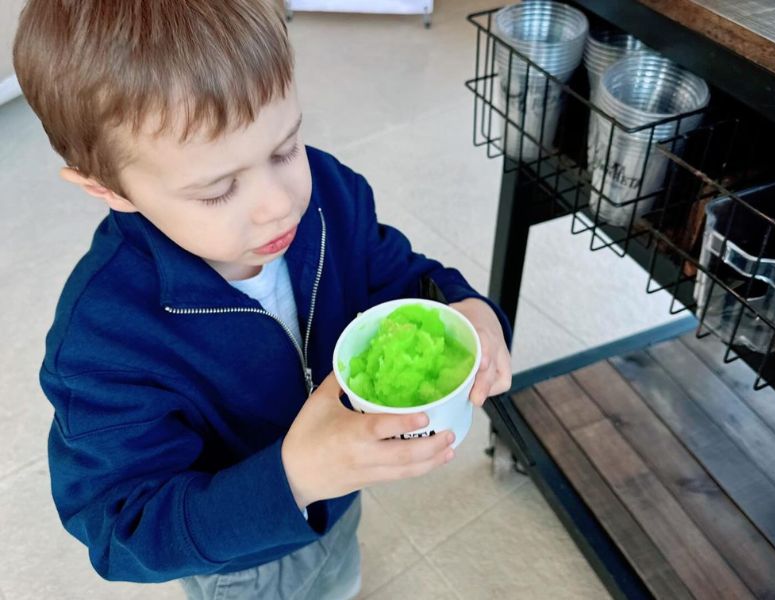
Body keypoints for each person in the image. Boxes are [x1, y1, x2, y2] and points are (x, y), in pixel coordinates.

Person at [13, 1, 512, 598]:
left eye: (285, 149)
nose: (279, 204)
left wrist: (465, 308)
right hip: (240, 559)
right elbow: (122, 527)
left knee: (337, 578)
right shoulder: (103, 341)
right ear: (108, 187)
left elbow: (397, 275)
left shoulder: (329, 195)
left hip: (337, 497)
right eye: (217, 190)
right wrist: (292, 478)